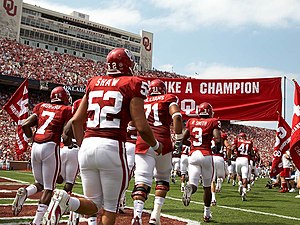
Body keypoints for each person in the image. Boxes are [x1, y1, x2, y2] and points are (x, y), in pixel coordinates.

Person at [43, 48, 162, 225]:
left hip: (87, 147)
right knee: (110, 207)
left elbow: (76, 121)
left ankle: (67, 202)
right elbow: (141, 126)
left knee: (93, 205)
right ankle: (65, 201)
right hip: (112, 147)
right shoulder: (133, 82)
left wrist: (84, 146)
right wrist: (156, 145)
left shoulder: (94, 82)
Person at [12, 86, 72, 225]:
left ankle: (26, 192)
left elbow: (26, 124)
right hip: (50, 146)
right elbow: (66, 133)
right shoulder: (66, 110)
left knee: (40, 183)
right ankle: (37, 222)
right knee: (49, 189)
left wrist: (30, 139)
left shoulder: (41, 106)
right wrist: (69, 143)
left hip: (36, 146)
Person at [132, 79, 183, 225]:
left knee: (142, 180)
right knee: (162, 179)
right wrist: (178, 138)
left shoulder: (143, 100)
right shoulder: (168, 98)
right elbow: (177, 116)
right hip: (163, 142)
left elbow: (132, 123)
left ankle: (137, 216)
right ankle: (155, 215)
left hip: (144, 141)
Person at [181, 102, 221, 223]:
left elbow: (183, 138)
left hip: (193, 155)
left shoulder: (191, 121)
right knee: (207, 186)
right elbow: (217, 138)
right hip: (206, 154)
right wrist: (217, 147)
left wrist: (191, 144)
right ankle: (207, 214)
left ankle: (189, 189)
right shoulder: (212, 121)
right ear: (209, 112)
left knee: (193, 184)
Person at [119, 120, 138, 214]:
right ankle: (121, 199)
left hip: (125, 145)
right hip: (134, 146)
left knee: (123, 172)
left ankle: (119, 198)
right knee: (128, 174)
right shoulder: (138, 119)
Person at [211, 132, 231, 206]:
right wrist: (228, 158)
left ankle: (213, 198)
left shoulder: (210, 135)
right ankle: (219, 180)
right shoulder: (223, 137)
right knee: (223, 176)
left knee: (212, 180)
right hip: (220, 159)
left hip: (212, 158)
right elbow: (228, 147)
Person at [232, 132, 253, 201]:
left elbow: (232, 148)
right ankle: (244, 191)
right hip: (245, 159)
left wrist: (233, 154)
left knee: (239, 174)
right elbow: (251, 153)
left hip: (238, 159)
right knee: (245, 176)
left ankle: (240, 183)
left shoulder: (237, 140)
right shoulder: (249, 142)